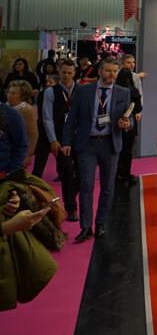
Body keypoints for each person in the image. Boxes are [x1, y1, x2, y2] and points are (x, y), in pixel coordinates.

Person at [61, 58, 134, 242]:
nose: (112, 75)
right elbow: (71, 118)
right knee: (86, 184)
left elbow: (130, 120)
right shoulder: (83, 90)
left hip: (110, 144)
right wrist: (66, 142)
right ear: (100, 71)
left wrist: (126, 124)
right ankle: (86, 226)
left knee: (107, 187)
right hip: (87, 144)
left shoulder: (123, 92)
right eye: (108, 71)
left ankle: (100, 223)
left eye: (115, 71)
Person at [44, 60, 79, 221]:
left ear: (74, 73)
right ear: (59, 71)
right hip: (60, 138)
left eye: (69, 73)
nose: (66, 75)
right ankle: (71, 207)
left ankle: (70, 195)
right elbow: (47, 118)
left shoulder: (81, 90)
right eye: (64, 72)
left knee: (83, 172)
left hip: (80, 137)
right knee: (67, 172)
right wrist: (53, 140)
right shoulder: (51, 92)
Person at [115, 55, 144, 185]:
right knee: (126, 149)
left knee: (120, 149)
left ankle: (118, 173)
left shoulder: (116, 89)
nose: (132, 64)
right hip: (127, 121)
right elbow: (138, 105)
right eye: (128, 62)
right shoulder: (132, 89)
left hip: (120, 121)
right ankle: (124, 173)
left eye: (133, 62)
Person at [6, 81, 38, 169]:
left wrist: (28, 154)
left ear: (23, 96)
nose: (9, 95)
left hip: (18, 151)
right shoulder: (5, 106)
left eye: (13, 93)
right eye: (9, 92)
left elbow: (33, 134)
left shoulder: (27, 110)